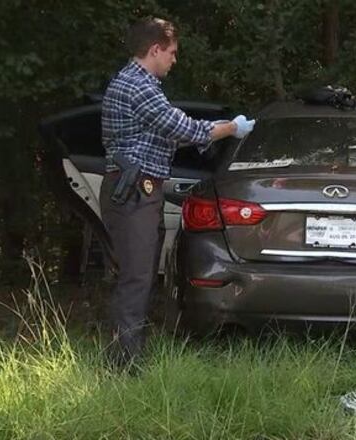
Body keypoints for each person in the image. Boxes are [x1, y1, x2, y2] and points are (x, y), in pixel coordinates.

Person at [99, 17, 254, 369]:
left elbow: (170, 131)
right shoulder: (138, 86)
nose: (174, 59)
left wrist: (214, 129)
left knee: (139, 272)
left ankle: (130, 354)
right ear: (154, 49)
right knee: (136, 276)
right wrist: (231, 128)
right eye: (171, 52)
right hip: (134, 190)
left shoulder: (137, 83)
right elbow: (179, 127)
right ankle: (125, 363)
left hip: (138, 189)